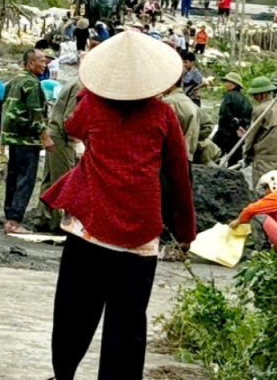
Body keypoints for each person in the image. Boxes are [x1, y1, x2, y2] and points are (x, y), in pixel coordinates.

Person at [41, 31, 195, 380]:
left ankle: (63, 373)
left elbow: (72, 127)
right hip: (140, 233)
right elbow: (179, 176)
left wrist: (93, 91)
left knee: (74, 311)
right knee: (127, 324)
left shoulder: (92, 107)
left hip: (90, 229)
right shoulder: (163, 116)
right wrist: (184, 231)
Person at [1, 48, 55, 234]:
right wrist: (45, 137)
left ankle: (9, 218)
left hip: (12, 138)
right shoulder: (32, 84)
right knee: (26, 179)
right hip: (27, 139)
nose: (44, 64)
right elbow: (36, 114)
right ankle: (15, 221)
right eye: (41, 61)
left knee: (13, 178)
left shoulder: (14, 81)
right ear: (31, 63)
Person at [36, 76, 83, 233]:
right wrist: (76, 142)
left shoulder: (75, 82)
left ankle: (42, 218)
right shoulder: (80, 86)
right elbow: (70, 118)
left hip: (56, 134)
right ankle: (58, 222)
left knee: (50, 179)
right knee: (64, 180)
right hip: (63, 137)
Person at [213, 72, 252, 165]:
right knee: (235, 162)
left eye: (227, 81)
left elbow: (225, 114)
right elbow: (248, 118)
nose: (225, 84)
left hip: (224, 134)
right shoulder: (246, 100)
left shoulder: (228, 97)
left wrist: (233, 124)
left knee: (214, 156)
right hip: (238, 136)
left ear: (233, 84)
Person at [162, 78, 200, 161]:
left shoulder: (169, 101)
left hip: (172, 155)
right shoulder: (189, 101)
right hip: (187, 153)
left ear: (171, 85)